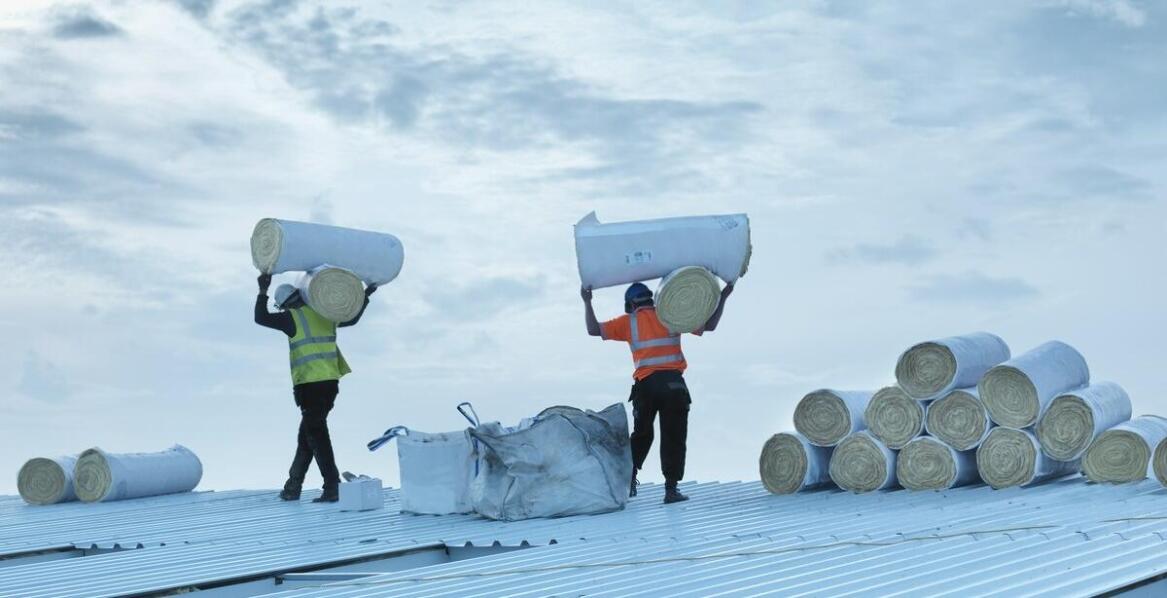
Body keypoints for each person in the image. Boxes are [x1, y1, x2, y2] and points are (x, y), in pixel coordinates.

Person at [582, 280, 734, 504]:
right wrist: (723, 296)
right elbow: (709, 326)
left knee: (642, 434)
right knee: (674, 435)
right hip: (674, 385)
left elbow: (593, 330)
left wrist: (587, 301)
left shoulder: (628, 322)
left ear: (631, 304)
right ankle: (671, 490)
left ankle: (629, 480)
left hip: (646, 386)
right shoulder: (671, 315)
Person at [255, 273, 376, 503]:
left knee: (317, 436)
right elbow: (351, 319)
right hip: (330, 383)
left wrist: (262, 290)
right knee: (308, 436)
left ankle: (332, 486)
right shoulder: (324, 314)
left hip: (310, 385)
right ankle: (293, 487)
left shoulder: (291, 318)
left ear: (284, 305)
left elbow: (260, 318)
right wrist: (364, 295)